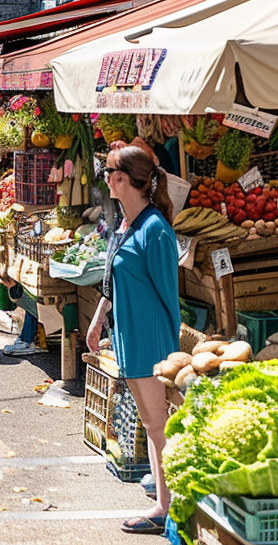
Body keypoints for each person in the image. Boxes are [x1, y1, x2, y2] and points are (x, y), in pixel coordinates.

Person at [87, 144, 179, 535]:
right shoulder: (127, 223)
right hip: (130, 337)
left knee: (159, 425)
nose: (105, 179)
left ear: (123, 179)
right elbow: (112, 281)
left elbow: (169, 295)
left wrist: (170, 352)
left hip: (151, 340)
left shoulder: (155, 228)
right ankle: (164, 501)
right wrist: (97, 321)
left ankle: (165, 508)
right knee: (152, 424)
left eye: (107, 172)